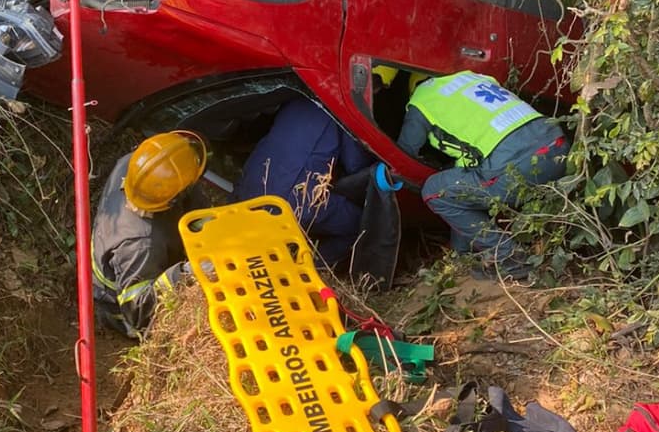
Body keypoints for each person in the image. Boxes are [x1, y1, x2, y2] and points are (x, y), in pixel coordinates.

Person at [396, 71, 569, 278]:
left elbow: (402, 155)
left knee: (434, 191)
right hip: (559, 146)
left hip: (520, 164)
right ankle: (465, 256)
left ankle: (511, 260)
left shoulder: (422, 101)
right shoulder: (471, 78)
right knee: (461, 183)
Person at [233, 97, 377, 270]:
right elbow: (356, 165)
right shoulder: (344, 113)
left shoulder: (296, 99)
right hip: (294, 200)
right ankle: (308, 266)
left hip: (249, 185)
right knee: (360, 225)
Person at [92, 131, 207, 337]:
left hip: (119, 256)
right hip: (119, 309)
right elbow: (138, 312)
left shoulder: (132, 165)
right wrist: (188, 272)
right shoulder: (142, 244)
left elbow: (192, 201)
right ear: (172, 198)